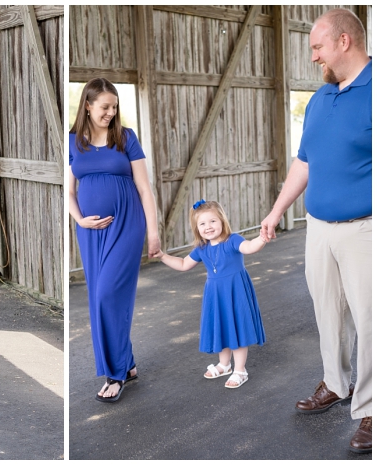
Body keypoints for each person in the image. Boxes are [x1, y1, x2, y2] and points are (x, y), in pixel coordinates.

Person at [260, 8, 371, 453]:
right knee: (328, 315)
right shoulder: (320, 100)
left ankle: (370, 410)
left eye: (317, 47)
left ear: (344, 42)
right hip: (318, 228)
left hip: (365, 230)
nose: (313, 57)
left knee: (371, 322)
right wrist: (275, 211)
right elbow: (303, 163)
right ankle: (335, 383)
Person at [68, 77, 161, 403]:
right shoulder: (72, 142)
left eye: (115, 107)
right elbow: (67, 192)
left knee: (109, 295)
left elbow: (144, 188)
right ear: (88, 106)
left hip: (127, 226)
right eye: (105, 107)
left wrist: (153, 230)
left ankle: (115, 374)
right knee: (101, 298)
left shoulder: (126, 138)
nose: (111, 112)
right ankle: (128, 364)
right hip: (90, 234)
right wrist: (80, 219)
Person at [154, 200, 266, 388]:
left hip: (235, 290)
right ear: (197, 228)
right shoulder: (202, 249)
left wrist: (262, 238)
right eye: (202, 224)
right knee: (221, 327)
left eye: (213, 221)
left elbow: (249, 247)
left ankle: (240, 370)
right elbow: (183, 265)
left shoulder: (233, 240)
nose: (208, 227)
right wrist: (163, 256)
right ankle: (224, 364)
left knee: (237, 328)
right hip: (215, 294)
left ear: (222, 220)